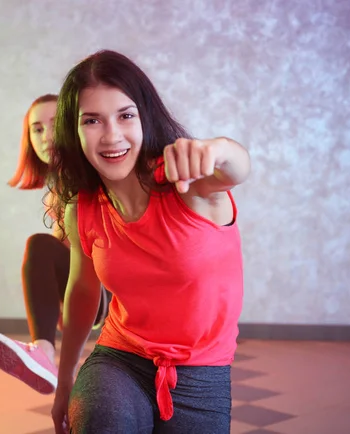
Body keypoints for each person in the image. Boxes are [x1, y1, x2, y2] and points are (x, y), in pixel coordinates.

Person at [47, 50, 250, 434]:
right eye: (92, 121)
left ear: (145, 117)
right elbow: (81, 293)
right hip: (119, 358)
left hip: (201, 371)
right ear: (74, 132)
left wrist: (218, 148)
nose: (111, 136)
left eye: (125, 115)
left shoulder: (187, 183)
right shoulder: (84, 209)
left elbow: (237, 168)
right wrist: (64, 380)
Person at [0, 94, 110, 395]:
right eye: (36, 129)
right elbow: (62, 247)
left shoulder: (93, 171)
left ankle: (42, 350)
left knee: (38, 245)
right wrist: (62, 303)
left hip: (109, 289)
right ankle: (45, 355)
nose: (46, 136)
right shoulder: (58, 185)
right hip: (87, 289)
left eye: (55, 125)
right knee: (44, 246)